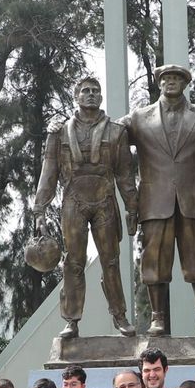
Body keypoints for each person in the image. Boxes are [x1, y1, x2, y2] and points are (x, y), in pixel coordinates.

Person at [122, 62, 195, 336]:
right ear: (159, 82)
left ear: (185, 83)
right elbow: (109, 135)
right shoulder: (139, 118)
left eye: (177, 78)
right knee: (154, 263)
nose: (171, 81)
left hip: (194, 202)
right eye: (166, 77)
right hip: (155, 203)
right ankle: (158, 318)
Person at [32, 74, 140, 338]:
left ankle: (120, 316)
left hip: (105, 201)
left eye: (95, 90)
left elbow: (125, 174)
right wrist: (39, 210)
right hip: (73, 202)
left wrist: (132, 207)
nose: (91, 94)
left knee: (111, 262)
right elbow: (49, 172)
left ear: (101, 97)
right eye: (85, 90)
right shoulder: (58, 133)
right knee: (73, 263)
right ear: (76, 96)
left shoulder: (117, 132)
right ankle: (71, 320)